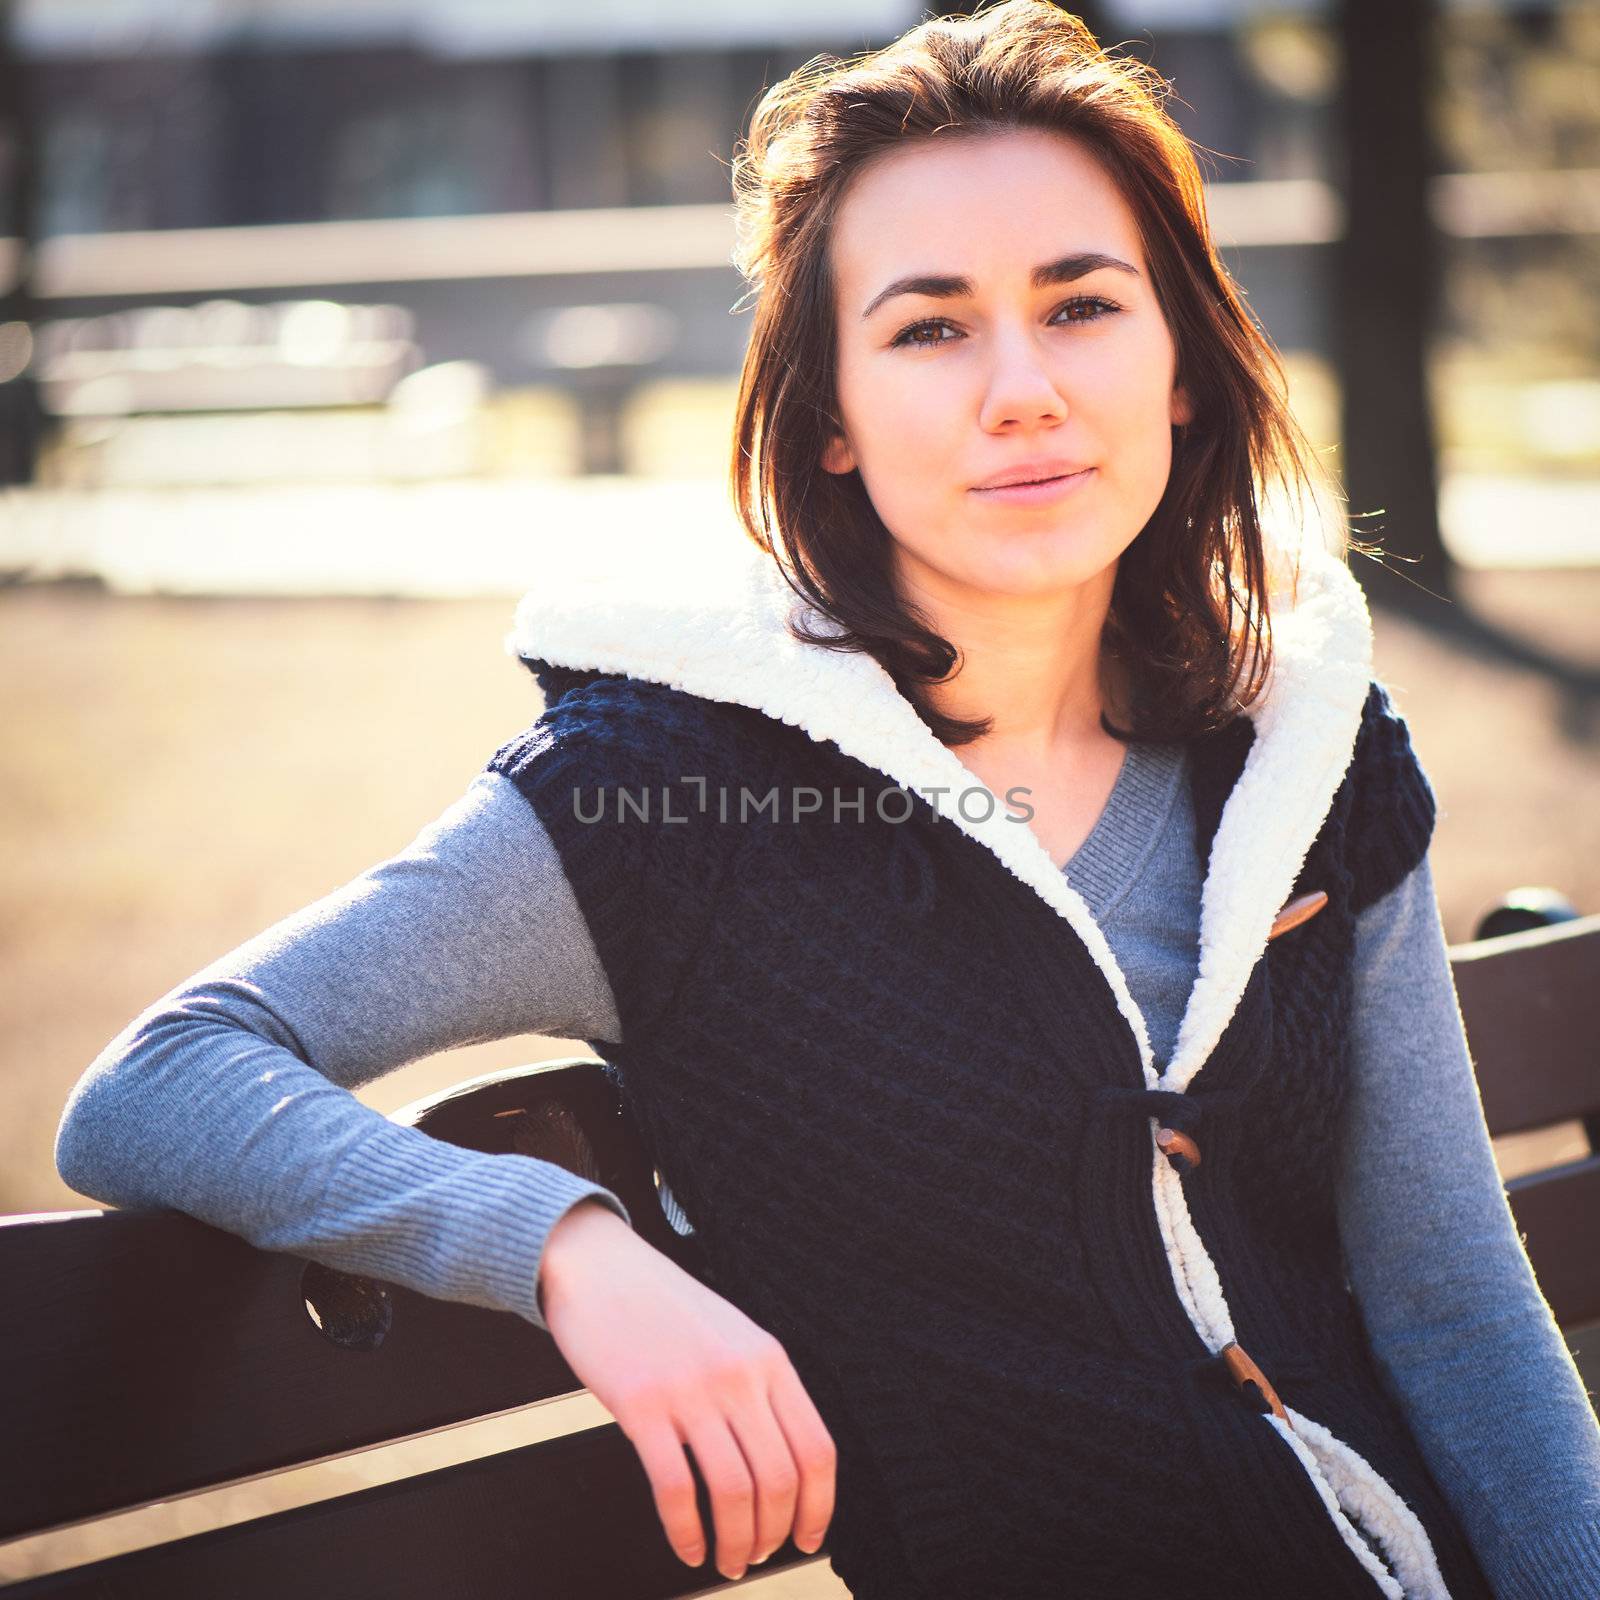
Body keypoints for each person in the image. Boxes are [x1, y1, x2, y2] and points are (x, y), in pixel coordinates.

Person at [54, 4, 1600, 1597]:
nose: (1021, 389)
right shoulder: (658, 807)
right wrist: (566, 1248)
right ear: (832, 423)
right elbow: (161, 1081)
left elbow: (1451, 1302)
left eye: (1082, 305)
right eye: (929, 329)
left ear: (1188, 367)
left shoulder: (1310, 754)